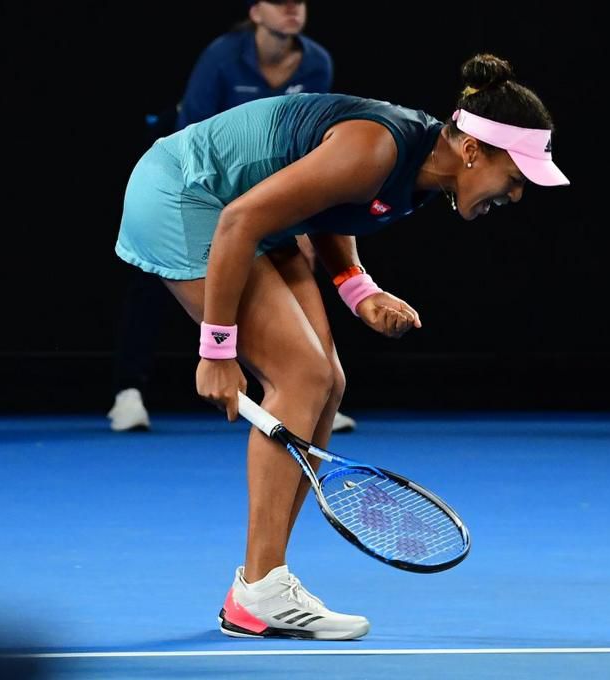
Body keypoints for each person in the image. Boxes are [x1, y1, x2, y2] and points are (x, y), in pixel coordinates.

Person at [114, 53, 569, 640]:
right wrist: (217, 351)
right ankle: (261, 587)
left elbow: (326, 204)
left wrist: (359, 291)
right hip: (187, 195)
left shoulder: (423, 169)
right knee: (300, 376)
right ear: (474, 152)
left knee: (327, 381)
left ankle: (261, 583)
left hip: (245, 210)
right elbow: (237, 221)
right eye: (516, 178)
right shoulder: (378, 148)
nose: (517, 195)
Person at [108, 0, 359, 432]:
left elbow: (314, 146)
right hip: (196, 177)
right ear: (256, 11)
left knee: (296, 264)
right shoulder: (221, 57)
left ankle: (310, 389)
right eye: (280, 3)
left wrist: (298, 219)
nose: (292, 10)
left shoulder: (317, 62)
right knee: (154, 278)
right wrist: (236, 217)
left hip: (271, 183)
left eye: (297, 2)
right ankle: (127, 392)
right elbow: (197, 137)